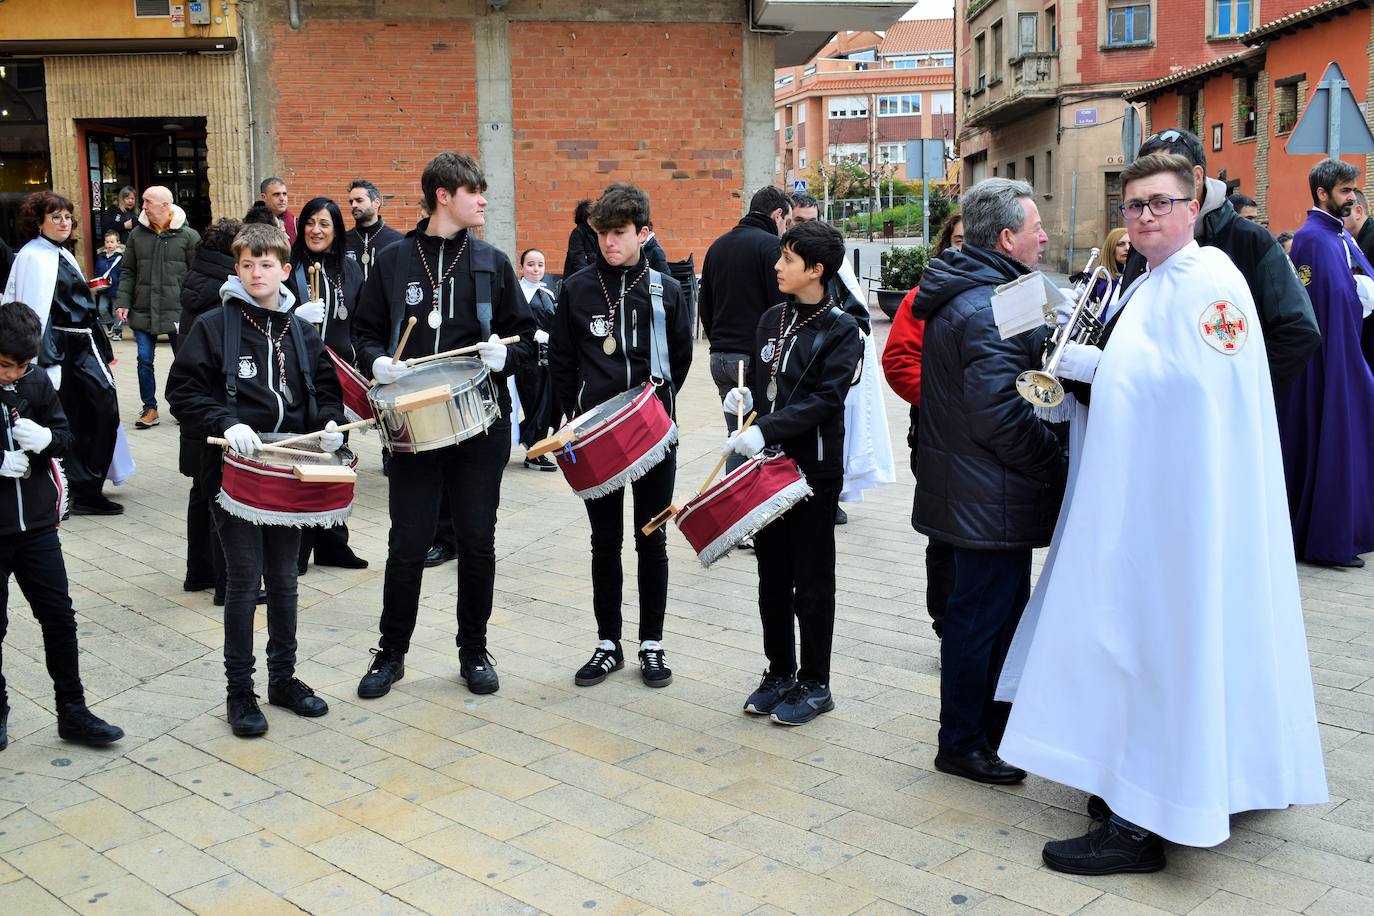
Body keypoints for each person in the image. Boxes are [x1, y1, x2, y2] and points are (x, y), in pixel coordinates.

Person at [996, 152, 1328, 874]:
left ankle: (1144, 823)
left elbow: (1194, 391)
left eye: (1159, 203)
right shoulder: (1159, 278)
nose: (1144, 216)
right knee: (1137, 647)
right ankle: (1135, 787)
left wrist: (1095, 368)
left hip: (1179, 514)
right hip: (1152, 501)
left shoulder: (1207, 280)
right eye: (1134, 205)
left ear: (1195, 203)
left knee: (1161, 649)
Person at [351, 152, 536, 699]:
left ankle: (474, 650)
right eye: (474, 191)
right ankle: (390, 653)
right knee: (407, 543)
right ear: (443, 196)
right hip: (413, 428)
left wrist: (510, 356)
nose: (483, 200)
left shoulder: (491, 262)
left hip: (479, 429)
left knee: (477, 542)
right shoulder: (393, 261)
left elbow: (525, 337)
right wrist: (376, 361)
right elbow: (362, 333)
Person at [911, 178, 1066, 785]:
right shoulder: (989, 305)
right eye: (1034, 227)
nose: (1045, 235)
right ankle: (964, 743)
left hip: (977, 492)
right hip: (988, 498)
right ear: (1006, 238)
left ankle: (986, 733)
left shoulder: (990, 293)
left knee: (989, 618)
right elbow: (1000, 413)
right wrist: (1054, 461)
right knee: (980, 623)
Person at [168, 223, 344, 737]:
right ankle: (239, 691)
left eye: (266, 264)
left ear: (285, 270)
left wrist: (330, 425)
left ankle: (283, 679)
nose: (255, 273)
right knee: (245, 580)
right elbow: (183, 392)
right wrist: (227, 422)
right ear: (236, 268)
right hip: (236, 471)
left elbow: (327, 392)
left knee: (286, 578)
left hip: (291, 466)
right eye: (246, 265)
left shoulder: (301, 329)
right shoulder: (212, 325)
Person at [548, 183, 692, 689]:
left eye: (619, 233)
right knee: (603, 543)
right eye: (602, 234)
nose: (609, 243)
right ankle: (608, 642)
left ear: (643, 233)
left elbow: (680, 360)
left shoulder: (667, 289)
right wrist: (573, 417)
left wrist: (654, 413)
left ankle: (651, 643)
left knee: (651, 540)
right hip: (595, 436)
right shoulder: (578, 287)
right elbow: (563, 359)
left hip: (653, 434)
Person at [720, 220, 862, 725]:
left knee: (812, 577)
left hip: (814, 469)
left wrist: (770, 426)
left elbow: (827, 400)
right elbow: (767, 385)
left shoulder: (843, 329)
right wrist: (747, 406)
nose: (778, 266)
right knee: (771, 574)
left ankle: (815, 682)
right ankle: (779, 671)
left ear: (817, 270)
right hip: (769, 466)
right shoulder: (771, 319)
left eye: (788, 259)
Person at [0, 301, 125, 752]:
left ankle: (72, 710)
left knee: (58, 619)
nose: (13, 374)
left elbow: (67, 436)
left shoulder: (33, 382)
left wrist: (46, 439)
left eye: (22, 366)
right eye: (4, 366)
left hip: (36, 526)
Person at [1121, 129, 1318, 397]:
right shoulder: (1143, 240)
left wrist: (1241, 397)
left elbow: (1298, 330)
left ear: (1197, 177)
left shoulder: (1251, 240)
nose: (1147, 212)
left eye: (1163, 172)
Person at [1278, 158, 1374, 568]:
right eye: (1344, 191)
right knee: (1332, 440)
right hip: (1329, 360)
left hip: (1344, 352)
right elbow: (1328, 301)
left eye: (1353, 190)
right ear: (1322, 193)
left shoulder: (1334, 235)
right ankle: (1327, 538)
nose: (1352, 197)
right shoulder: (1314, 239)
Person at [3, 192, 124, 516]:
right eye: (55, 217)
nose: (64, 223)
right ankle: (73, 487)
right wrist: (47, 357)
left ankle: (87, 484)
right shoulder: (32, 256)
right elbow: (32, 312)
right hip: (61, 348)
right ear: (38, 220)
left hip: (84, 344)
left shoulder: (61, 254)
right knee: (70, 416)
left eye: (67, 217)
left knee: (102, 411)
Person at [882, 212, 961, 648]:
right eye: (957, 240)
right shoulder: (921, 298)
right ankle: (945, 626)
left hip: (995, 434)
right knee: (944, 536)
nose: (963, 248)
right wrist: (948, 401)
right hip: (936, 432)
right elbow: (898, 363)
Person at [286, 197, 368, 573]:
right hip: (296, 377)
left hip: (336, 378)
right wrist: (293, 315)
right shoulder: (290, 266)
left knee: (336, 460)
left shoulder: (350, 270)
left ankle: (334, 543)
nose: (316, 230)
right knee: (302, 463)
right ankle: (297, 548)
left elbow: (362, 323)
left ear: (336, 230)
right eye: (310, 223)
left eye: (324, 224)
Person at [177, 217, 246, 602]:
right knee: (220, 494)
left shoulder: (197, 277)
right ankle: (225, 582)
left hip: (196, 409)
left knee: (201, 492)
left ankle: (198, 573)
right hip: (212, 403)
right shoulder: (223, 290)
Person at [700, 187, 789, 477]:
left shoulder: (717, 246)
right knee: (751, 439)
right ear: (777, 215)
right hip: (752, 358)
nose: (785, 230)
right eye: (786, 223)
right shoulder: (770, 247)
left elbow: (705, 306)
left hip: (721, 358)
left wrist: (719, 342)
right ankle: (739, 506)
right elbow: (780, 307)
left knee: (737, 433)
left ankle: (739, 503)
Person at [115, 185, 201, 430]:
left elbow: (197, 275)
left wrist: (194, 306)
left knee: (183, 360)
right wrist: (122, 302)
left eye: (147, 201)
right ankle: (149, 408)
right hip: (142, 308)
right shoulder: (136, 235)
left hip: (177, 310)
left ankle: (182, 406)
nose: (143, 206)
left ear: (165, 205)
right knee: (144, 359)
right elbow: (128, 271)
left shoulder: (189, 236)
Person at [515, 248, 559, 470]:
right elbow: (512, 324)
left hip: (548, 360)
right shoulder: (517, 293)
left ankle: (531, 441)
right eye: (531, 264)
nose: (536, 269)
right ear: (521, 267)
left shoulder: (548, 294)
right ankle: (533, 452)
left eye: (540, 265)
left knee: (550, 407)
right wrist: (532, 335)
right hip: (527, 360)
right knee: (536, 406)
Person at [346, 179, 404, 281]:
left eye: (359, 200)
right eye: (351, 202)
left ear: (376, 202)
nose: (353, 205)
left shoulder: (397, 240)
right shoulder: (343, 240)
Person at [92, 229, 124, 340]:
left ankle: (118, 331)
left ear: (118, 243)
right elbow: (97, 271)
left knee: (117, 312)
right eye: (107, 242)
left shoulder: (121, 257)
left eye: (112, 242)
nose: (109, 244)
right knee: (102, 309)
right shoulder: (101, 256)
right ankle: (110, 325)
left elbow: (124, 273)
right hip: (104, 288)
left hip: (117, 288)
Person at [1087, 227, 1129, 311]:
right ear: (1111, 249)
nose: (1127, 248)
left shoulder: (1141, 278)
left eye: (1131, 244)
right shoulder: (1093, 279)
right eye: (1121, 244)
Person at [563, 199, 599, 278]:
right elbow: (578, 261)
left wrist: (589, 256)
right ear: (588, 219)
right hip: (578, 280)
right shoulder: (578, 233)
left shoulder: (599, 233)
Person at [260, 177, 296, 244]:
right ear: (264, 197)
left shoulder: (296, 224)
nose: (282, 198)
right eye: (276, 194)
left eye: (284, 194)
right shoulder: (251, 224)